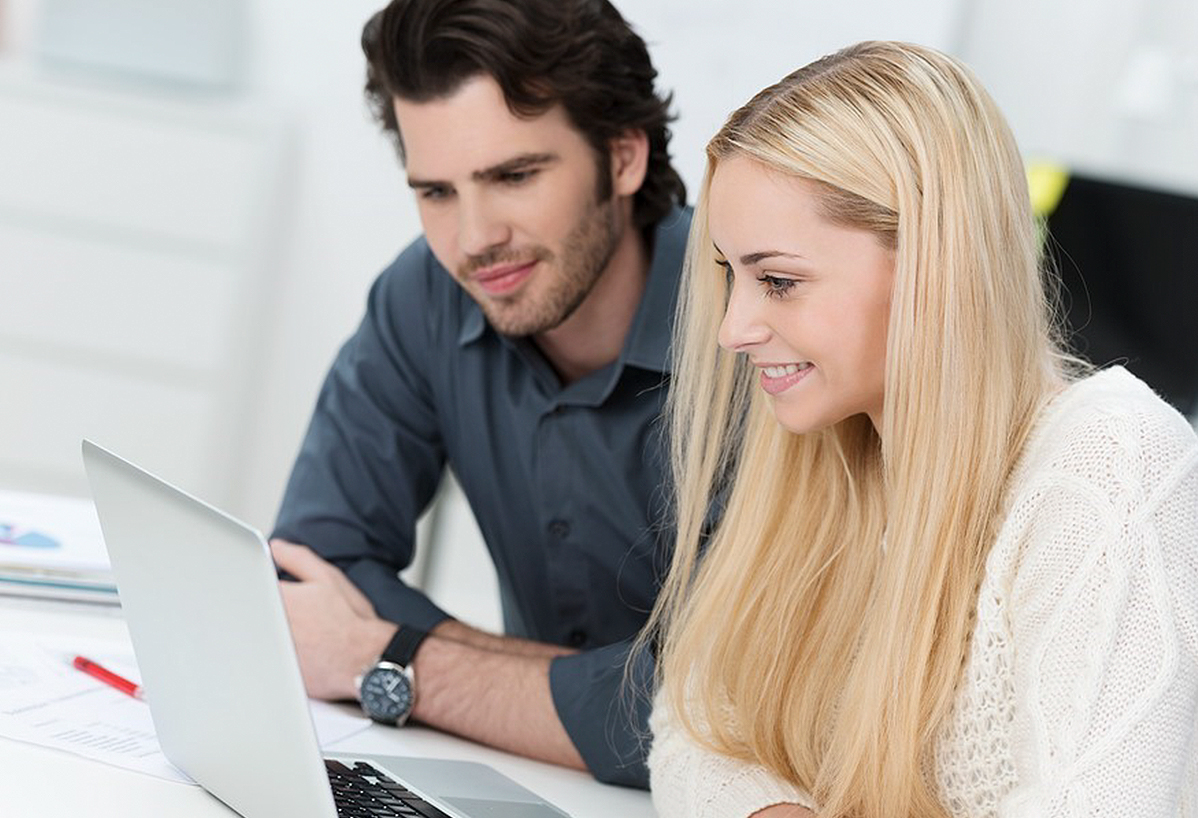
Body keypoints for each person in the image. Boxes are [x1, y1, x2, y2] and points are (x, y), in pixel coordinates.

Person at [643, 41, 1198, 817]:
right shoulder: (819, 450)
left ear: (935, 260)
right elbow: (693, 727)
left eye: (779, 280)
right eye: (728, 273)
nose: (735, 327)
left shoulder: (1112, 459)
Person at [268, 0, 689, 789]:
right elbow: (308, 576)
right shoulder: (426, 295)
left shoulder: (766, 336)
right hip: (522, 779)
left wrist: (389, 659)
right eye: (436, 192)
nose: (473, 239)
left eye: (514, 176)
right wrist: (552, 695)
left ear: (624, 156)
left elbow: (718, 717)